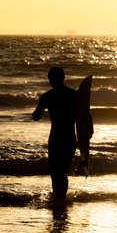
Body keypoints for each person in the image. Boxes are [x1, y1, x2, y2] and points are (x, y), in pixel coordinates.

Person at [33, 67, 76, 203]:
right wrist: (85, 138)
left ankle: (59, 199)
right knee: (62, 171)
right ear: (63, 78)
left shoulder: (47, 96)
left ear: (50, 80)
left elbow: (36, 117)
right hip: (70, 137)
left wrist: (41, 106)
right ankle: (60, 198)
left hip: (56, 137)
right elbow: (86, 118)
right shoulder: (73, 95)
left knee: (55, 171)